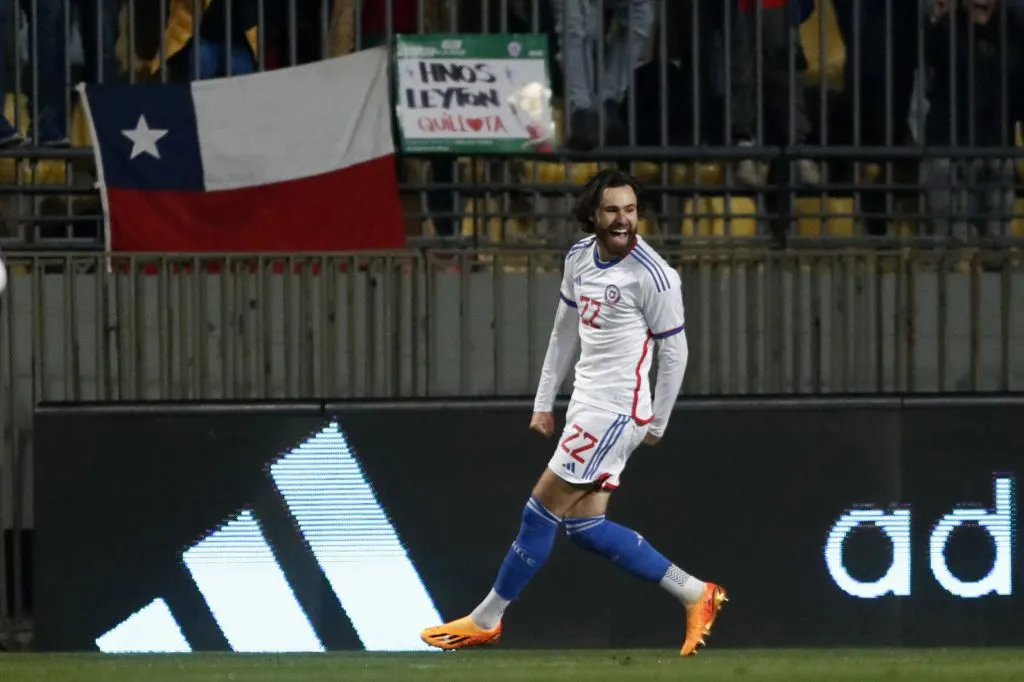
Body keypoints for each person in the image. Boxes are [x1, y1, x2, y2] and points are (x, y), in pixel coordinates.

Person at [419, 169, 727, 656]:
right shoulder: (579, 256)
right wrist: (545, 402)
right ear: (593, 214)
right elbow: (564, 332)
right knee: (585, 527)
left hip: (616, 411)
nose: (623, 220)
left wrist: (659, 421)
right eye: (612, 210)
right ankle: (695, 592)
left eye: (630, 210)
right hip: (586, 402)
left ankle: (486, 619)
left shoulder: (655, 276)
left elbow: (676, 354)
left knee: (539, 510)